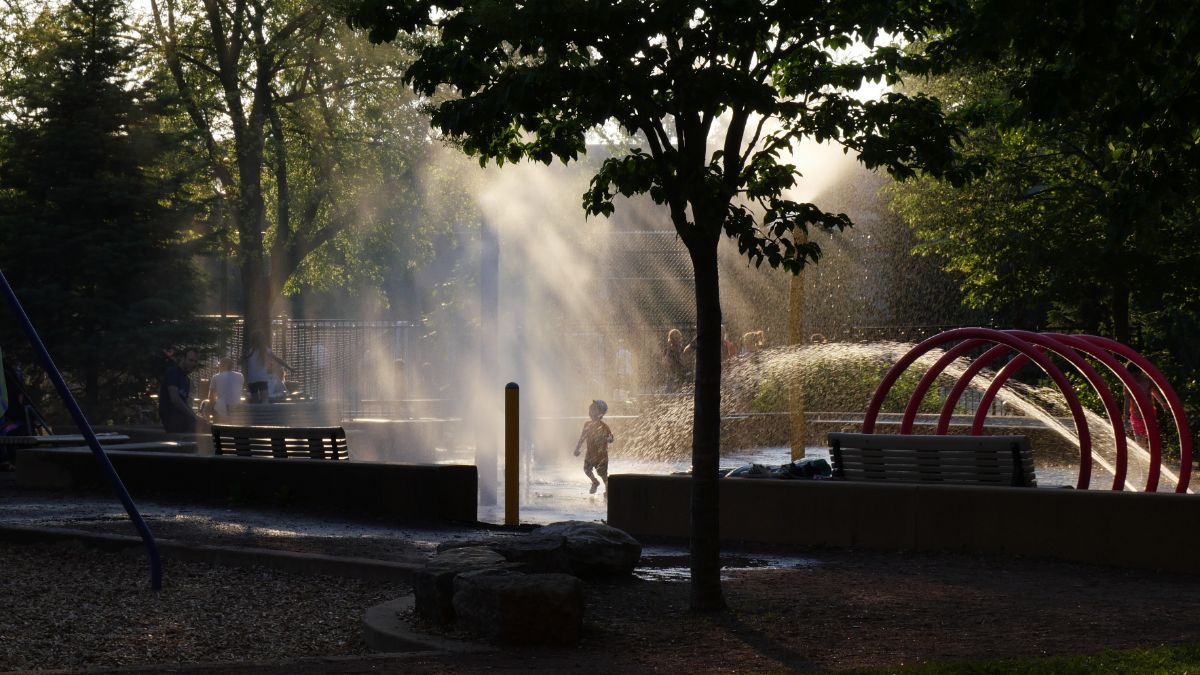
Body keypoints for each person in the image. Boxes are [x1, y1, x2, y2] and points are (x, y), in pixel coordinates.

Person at [159, 348, 207, 433]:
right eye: (191, 360)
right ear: (183, 359)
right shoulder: (173, 373)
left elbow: (185, 403)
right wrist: (193, 417)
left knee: (206, 426)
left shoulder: (187, 380)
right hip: (172, 418)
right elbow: (175, 399)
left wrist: (196, 417)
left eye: (195, 361)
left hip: (182, 418)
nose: (193, 364)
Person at [573, 399, 614, 496]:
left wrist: (607, 439)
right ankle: (595, 482)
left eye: (593, 409)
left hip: (601, 455)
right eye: (590, 409)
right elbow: (582, 437)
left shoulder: (604, 426)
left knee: (603, 474)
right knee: (587, 470)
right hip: (590, 454)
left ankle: (608, 491)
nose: (590, 411)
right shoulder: (587, 425)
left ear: (601, 413)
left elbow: (611, 438)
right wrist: (577, 448)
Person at [242, 330, 290, 404]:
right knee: (265, 400)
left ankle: (256, 414)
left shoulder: (249, 351)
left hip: (252, 379)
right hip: (262, 379)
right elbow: (277, 359)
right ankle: (263, 413)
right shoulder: (265, 350)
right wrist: (289, 367)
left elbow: (241, 361)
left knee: (255, 400)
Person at [1127, 366, 1165, 445]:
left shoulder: (1146, 381)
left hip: (1150, 413)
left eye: (1137, 375)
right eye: (1132, 375)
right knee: (1140, 439)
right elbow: (1127, 401)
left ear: (1140, 373)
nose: (1135, 377)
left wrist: (1162, 403)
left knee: (1151, 436)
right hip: (1137, 415)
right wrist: (1125, 416)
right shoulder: (1128, 383)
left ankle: (1153, 454)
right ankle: (1141, 453)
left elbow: (1153, 391)